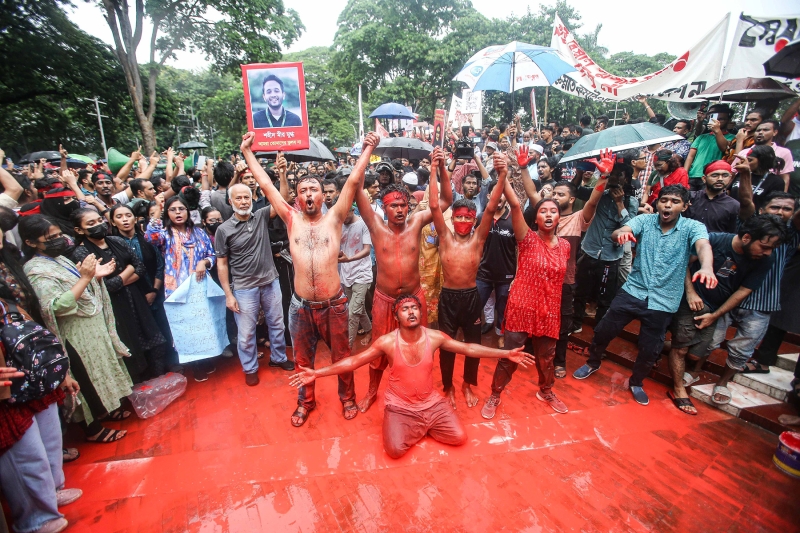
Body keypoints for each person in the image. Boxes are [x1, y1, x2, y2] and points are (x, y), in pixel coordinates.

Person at [240, 131, 380, 427]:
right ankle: (305, 402)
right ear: (297, 196)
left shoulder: (335, 217)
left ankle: (347, 398)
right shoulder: (290, 218)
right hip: (301, 307)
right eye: (302, 190)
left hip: (334, 305)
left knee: (342, 358)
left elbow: (354, 181)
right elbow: (266, 185)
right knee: (303, 360)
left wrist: (367, 148)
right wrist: (247, 153)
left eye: (313, 189)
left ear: (323, 194)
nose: (307, 194)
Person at [288, 294, 534, 458]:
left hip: (431, 403)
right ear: (396, 318)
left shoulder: (434, 336)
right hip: (401, 407)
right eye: (405, 309)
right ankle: (417, 425)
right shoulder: (386, 342)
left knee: (460, 437)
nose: (411, 312)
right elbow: (354, 361)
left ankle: (422, 425)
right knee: (394, 450)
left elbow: (468, 348)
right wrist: (316, 373)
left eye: (415, 308)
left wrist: (505, 352)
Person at [573, 184, 716, 408]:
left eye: (675, 201)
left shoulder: (693, 227)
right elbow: (620, 231)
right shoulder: (645, 221)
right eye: (664, 200)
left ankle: (637, 382)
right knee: (603, 330)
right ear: (658, 203)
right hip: (633, 291)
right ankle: (593, 361)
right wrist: (621, 234)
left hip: (664, 300)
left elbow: (703, 246)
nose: (668, 204)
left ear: (685, 206)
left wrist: (707, 267)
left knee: (650, 348)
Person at [354, 146, 453, 413]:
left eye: (402, 205)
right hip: (385, 299)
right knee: (377, 350)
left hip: (414, 296)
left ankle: (423, 389)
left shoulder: (417, 221)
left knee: (421, 348)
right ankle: (373, 390)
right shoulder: (375, 225)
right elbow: (355, 187)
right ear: (383, 208)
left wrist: (440, 166)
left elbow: (445, 200)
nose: (399, 210)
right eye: (393, 206)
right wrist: (367, 150)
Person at [20, 215, 133, 443]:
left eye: (58, 235)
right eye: (49, 238)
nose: (57, 240)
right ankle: (93, 429)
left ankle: (106, 409)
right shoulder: (34, 269)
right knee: (83, 381)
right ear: (31, 242)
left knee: (99, 373)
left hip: (89, 330)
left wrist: (93, 277)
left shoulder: (60, 259)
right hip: (72, 334)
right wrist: (86, 277)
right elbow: (57, 306)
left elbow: (80, 284)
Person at [670, 214, 785, 407]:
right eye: (764, 247)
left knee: (695, 354)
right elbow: (683, 263)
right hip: (691, 299)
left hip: (715, 308)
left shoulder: (765, 260)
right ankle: (678, 389)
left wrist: (715, 315)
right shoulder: (714, 240)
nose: (767, 253)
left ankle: (664, 345)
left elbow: (743, 291)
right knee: (682, 348)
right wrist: (690, 293)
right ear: (747, 238)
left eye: (771, 249)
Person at [481, 174, 571, 418]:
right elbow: (515, 205)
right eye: (543, 211)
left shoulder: (565, 246)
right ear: (536, 217)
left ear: (559, 217)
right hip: (522, 304)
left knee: (547, 356)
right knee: (511, 355)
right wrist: (504, 175)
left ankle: (546, 390)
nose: (549, 215)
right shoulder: (527, 239)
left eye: (553, 211)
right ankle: (495, 394)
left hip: (550, 308)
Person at [518, 146, 608, 378]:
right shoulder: (545, 216)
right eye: (553, 194)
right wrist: (523, 169)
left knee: (562, 322)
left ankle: (559, 361)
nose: (555, 197)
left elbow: (593, 203)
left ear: (571, 198)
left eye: (560, 195)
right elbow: (531, 194)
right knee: (533, 315)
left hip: (564, 282)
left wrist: (604, 177)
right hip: (537, 279)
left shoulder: (578, 219)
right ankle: (529, 353)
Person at [429, 150, 507, 409]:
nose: (462, 220)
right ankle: (448, 385)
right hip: (448, 298)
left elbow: (492, 206)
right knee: (447, 347)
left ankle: (467, 384)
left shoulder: (478, 238)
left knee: (473, 345)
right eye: (458, 216)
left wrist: (503, 173)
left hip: (472, 298)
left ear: (474, 221)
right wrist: (433, 169)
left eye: (467, 217)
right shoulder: (444, 237)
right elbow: (433, 206)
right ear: (453, 219)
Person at [71, 209, 166, 383]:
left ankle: (160, 378)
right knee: (129, 345)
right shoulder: (81, 253)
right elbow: (104, 287)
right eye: (91, 224)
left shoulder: (116, 241)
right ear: (79, 230)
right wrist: (127, 271)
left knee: (154, 339)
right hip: (114, 307)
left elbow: (140, 267)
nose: (99, 225)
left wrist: (119, 279)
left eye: (99, 220)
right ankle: (140, 386)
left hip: (137, 299)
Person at [215, 179, 292, 386]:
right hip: (243, 288)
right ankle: (249, 368)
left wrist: (282, 174)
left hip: (270, 281)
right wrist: (228, 295)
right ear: (230, 201)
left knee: (277, 323)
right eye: (238, 198)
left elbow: (280, 200)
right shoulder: (223, 230)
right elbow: (221, 264)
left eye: (246, 197)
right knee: (247, 332)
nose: (243, 201)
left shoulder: (260, 216)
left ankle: (279, 358)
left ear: (252, 198)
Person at [145, 195, 218, 381]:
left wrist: (204, 262)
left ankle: (206, 358)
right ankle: (195, 365)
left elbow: (212, 254)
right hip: (177, 289)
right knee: (186, 327)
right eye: (173, 210)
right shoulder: (164, 234)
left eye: (181, 209)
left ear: (188, 211)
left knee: (203, 324)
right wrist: (157, 210)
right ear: (167, 213)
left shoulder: (199, 233)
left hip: (200, 286)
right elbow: (149, 237)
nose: (178, 213)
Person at [571, 158, 639, 328]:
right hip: (590, 250)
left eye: (619, 175)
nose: (615, 179)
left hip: (611, 255)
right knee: (580, 291)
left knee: (605, 296)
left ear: (627, 179)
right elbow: (575, 191)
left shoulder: (631, 202)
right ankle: (576, 324)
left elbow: (630, 228)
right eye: (612, 175)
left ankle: (599, 329)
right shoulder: (599, 193)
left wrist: (619, 204)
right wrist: (579, 174)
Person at [339, 202, 373, 348]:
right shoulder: (338, 224)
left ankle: (347, 348)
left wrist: (349, 259)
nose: (343, 217)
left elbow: (367, 250)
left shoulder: (363, 224)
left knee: (353, 313)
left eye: (346, 213)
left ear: (352, 209)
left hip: (362, 273)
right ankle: (370, 331)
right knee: (359, 309)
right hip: (346, 274)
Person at [685, 104, 736, 190]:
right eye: (716, 118)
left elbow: (724, 148)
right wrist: (685, 173)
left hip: (712, 177)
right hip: (693, 175)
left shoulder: (732, 138)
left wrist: (717, 131)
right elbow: (690, 156)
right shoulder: (702, 137)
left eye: (721, 119)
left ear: (728, 121)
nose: (718, 121)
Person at [734, 120, 794, 191]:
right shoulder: (744, 152)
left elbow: (785, 179)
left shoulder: (784, 152)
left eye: (766, 130)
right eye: (758, 130)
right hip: (740, 190)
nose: (760, 132)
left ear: (775, 132)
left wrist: (781, 199)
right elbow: (733, 173)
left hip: (767, 194)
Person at [685, 160, 740, 233]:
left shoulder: (734, 205)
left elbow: (732, 234)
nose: (720, 179)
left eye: (725, 175)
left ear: (730, 179)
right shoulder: (689, 197)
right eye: (715, 175)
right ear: (704, 179)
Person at [728, 145, 786, 210]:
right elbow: (728, 193)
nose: (745, 163)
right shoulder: (741, 174)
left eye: (749, 160)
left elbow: (773, 206)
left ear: (762, 161)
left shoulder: (776, 182)